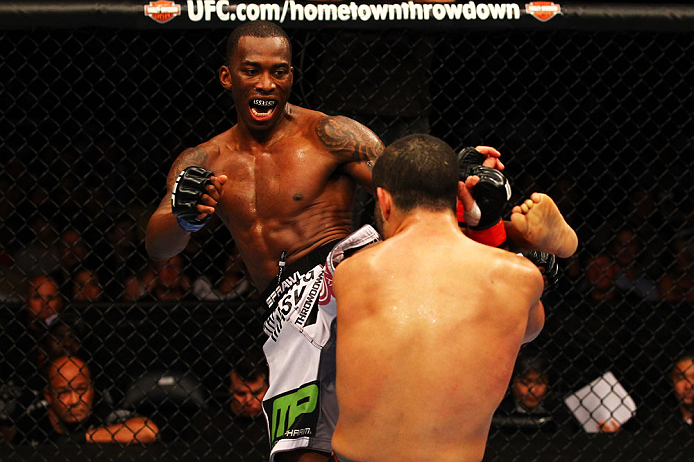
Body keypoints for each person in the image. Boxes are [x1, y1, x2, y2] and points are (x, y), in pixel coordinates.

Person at [145, 21, 576, 462]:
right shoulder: (202, 160)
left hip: (344, 267)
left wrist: (456, 174)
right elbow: (159, 246)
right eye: (252, 71)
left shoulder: (329, 136)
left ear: (292, 76)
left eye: (279, 72)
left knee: (431, 221)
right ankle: (511, 242)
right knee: (306, 447)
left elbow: (403, 189)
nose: (266, 84)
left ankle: (506, 232)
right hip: (285, 307)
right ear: (227, 76)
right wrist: (184, 217)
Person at [330, 134, 548, 462]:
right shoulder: (516, 279)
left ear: (384, 200)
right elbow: (527, 329)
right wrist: (484, 224)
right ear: (457, 196)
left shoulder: (352, 274)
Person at [7, 354, 159, 445]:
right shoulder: (32, 424)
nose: (74, 400)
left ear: (91, 390)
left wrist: (81, 438)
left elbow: (148, 431)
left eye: (81, 390)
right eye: (63, 392)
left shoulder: (104, 414)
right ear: (49, 396)